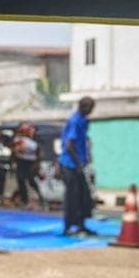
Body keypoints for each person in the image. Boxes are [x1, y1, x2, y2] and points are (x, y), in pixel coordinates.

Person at [59, 97, 96, 235]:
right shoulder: (75, 120)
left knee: (83, 195)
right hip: (70, 164)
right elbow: (69, 145)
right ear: (84, 107)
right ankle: (67, 226)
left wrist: (87, 155)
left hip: (78, 163)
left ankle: (81, 224)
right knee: (71, 197)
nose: (92, 111)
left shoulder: (83, 120)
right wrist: (78, 162)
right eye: (91, 108)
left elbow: (83, 140)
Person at [11, 123, 42, 209]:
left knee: (31, 181)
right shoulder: (20, 140)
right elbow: (17, 150)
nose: (32, 133)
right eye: (30, 131)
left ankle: (39, 199)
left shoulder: (33, 142)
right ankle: (24, 200)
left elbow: (38, 153)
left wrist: (37, 163)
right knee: (21, 180)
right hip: (21, 162)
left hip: (31, 163)